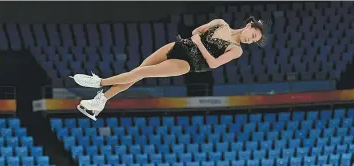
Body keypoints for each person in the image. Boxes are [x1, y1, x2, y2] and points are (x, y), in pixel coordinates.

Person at [71, 16, 267, 120]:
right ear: (249, 26)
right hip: (178, 47)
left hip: (188, 63)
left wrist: (198, 43)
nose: (251, 40)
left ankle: (99, 82)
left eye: (254, 41)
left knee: (141, 73)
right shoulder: (220, 23)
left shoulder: (236, 50)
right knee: (136, 73)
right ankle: (101, 100)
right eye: (253, 35)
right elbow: (196, 31)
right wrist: (196, 37)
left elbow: (214, 63)